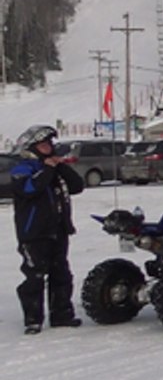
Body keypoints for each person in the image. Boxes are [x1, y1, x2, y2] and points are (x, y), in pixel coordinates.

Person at [11, 125, 85, 335]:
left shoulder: (53, 168)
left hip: (58, 230)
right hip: (34, 233)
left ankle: (61, 314)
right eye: (43, 145)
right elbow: (29, 188)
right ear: (32, 147)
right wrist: (48, 168)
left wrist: (60, 167)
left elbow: (77, 186)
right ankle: (33, 319)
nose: (49, 148)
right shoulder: (23, 168)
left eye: (50, 144)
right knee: (34, 276)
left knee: (61, 273)